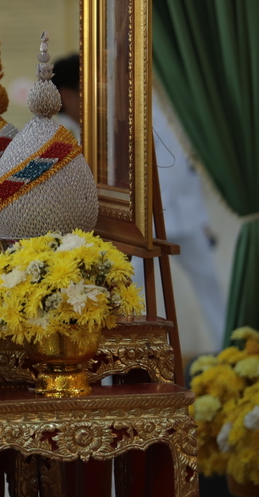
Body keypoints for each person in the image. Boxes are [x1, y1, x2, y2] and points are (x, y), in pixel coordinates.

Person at [50, 53, 227, 346]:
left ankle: (233, 352)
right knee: (135, 298)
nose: (65, 114)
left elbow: (178, 167)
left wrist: (198, 220)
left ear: (69, 93)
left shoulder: (137, 113)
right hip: (139, 224)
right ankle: (136, 362)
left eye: (63, 105)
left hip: (170, 217)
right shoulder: (89, 128)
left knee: (209, 286)